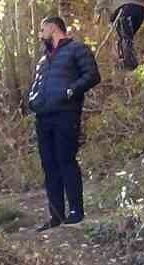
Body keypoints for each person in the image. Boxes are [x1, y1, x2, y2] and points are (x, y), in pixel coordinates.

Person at [25, 16, 100, 230]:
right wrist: (33, 100)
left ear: (53, 28)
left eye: (42, 29)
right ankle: (55, 215)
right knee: (49, 165)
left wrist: (71, 91)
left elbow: (93, 75)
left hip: (66, 114)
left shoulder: (77, 49)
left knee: (66, 160)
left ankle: (76, 210)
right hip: (43, 117)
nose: (40, 34)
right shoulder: (43, 60)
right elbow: (36, 85)